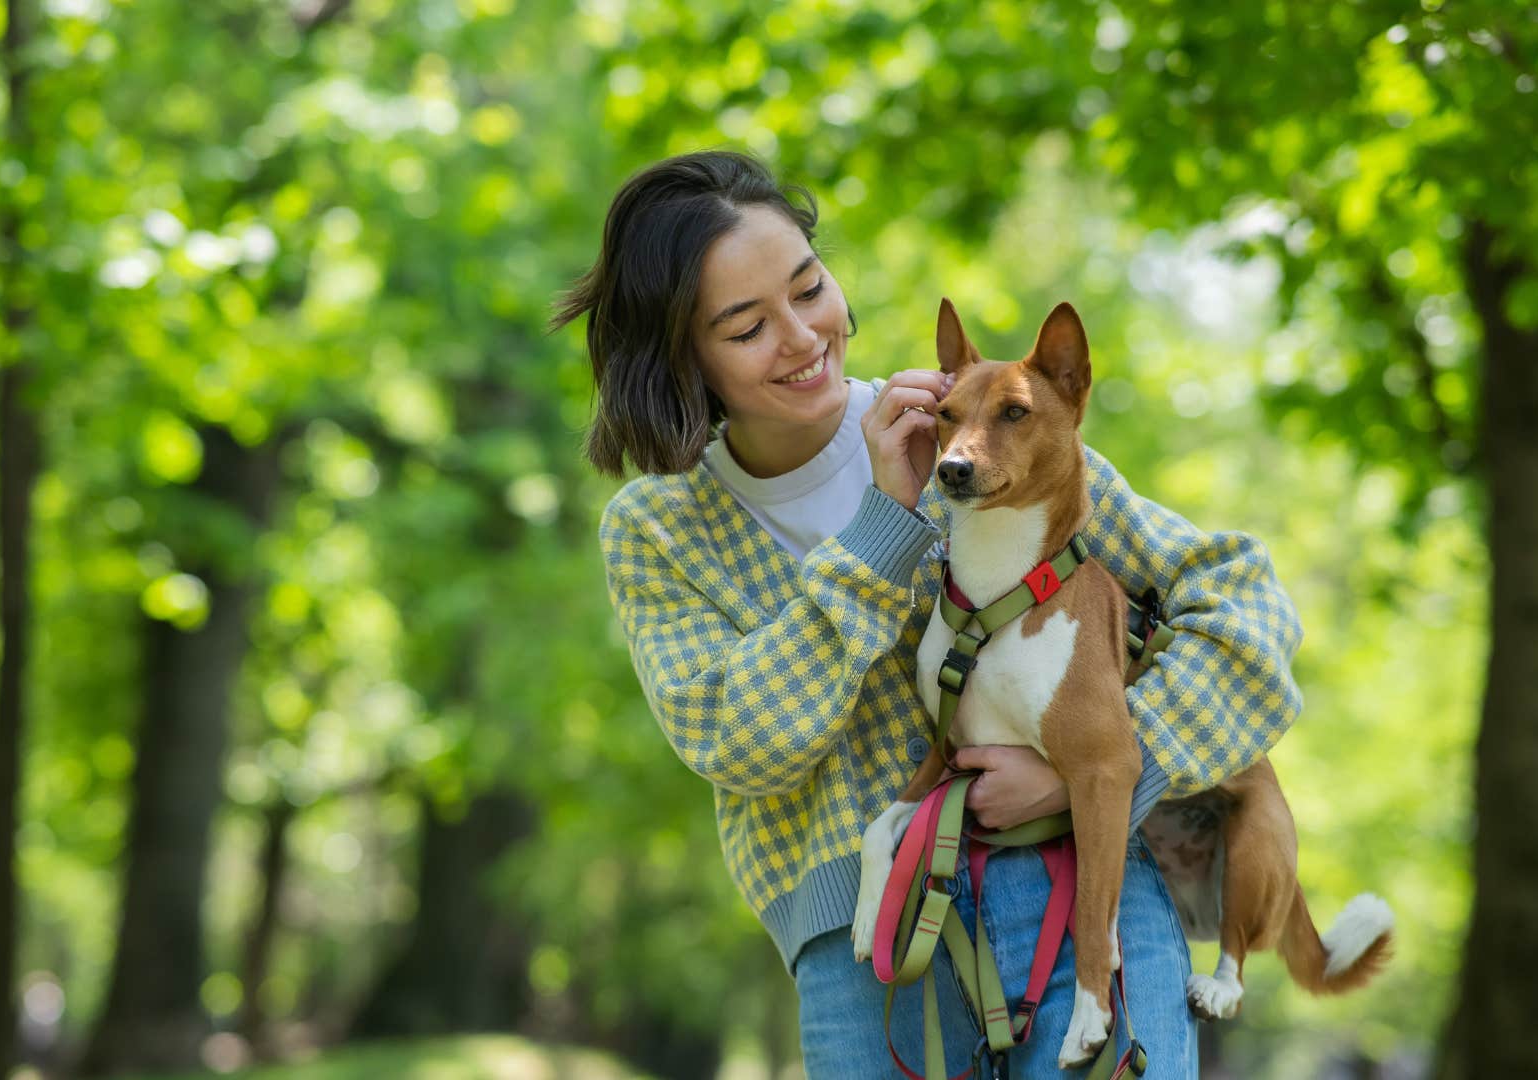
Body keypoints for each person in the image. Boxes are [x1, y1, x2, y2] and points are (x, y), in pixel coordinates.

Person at [555, 149, 1304, 1077]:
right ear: (683, 356)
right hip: (869, 953)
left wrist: (1108, 762)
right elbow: (738, 739)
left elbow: (1248, 612)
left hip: (1084, 908)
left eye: (809, 287)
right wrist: (883, 529)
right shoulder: (665, 528)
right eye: (747, 326)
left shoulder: (987, 431)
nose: (801, 336)